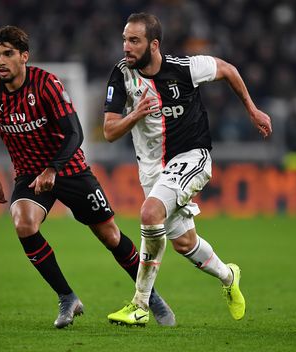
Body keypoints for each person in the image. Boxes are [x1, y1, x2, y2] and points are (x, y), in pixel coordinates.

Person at [0, 25, 175, 328]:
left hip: (70, 169)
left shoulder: (47, 84)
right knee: (24, 223)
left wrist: (53, 168)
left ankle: (151, 296)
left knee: (110, 235)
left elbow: (74, 133)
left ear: (24, 56)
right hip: (29, 175)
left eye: (8, 54)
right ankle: (67, 297)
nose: (1, 61)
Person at [104, 13, 272, 326]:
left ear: (153, 45)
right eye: (125, 39)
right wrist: (135, 114)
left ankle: (139, 305)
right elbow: (109, 131)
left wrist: (252, 109)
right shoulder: (122, 74)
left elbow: (228, 70)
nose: (126, 46)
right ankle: (228, 276)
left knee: (149, 213)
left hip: (192, 157)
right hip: (152, 170)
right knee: (183, 242)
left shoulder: (185, 68)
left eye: (134, 40)